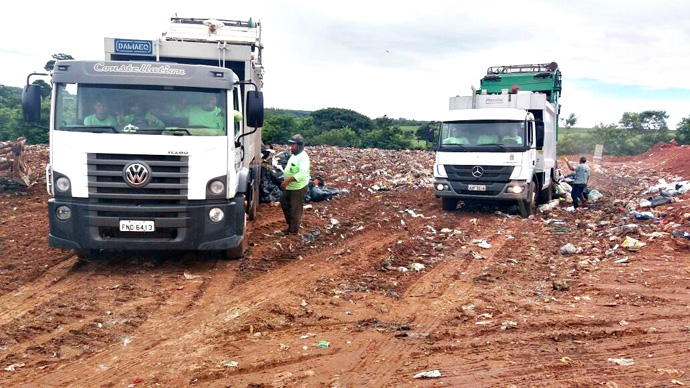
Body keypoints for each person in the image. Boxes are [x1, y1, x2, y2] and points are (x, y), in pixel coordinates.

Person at [279, 134, 311, 235]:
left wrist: (287, 181)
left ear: (300, 145)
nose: (291, 147)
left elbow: (302, 173)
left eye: (293, 145)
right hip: (291, 186)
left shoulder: (303, 157)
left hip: (298, 187)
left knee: (295, 209)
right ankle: (291, 225)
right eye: (291, 144)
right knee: (284, 202)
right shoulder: (294, 154)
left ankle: (293, 231)